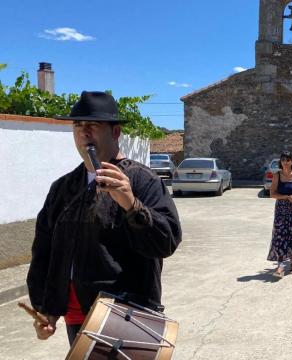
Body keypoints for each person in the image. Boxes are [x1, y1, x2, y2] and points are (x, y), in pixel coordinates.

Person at [26, 91, 182, 345]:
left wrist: (131, 204)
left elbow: (166, 243)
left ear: (116, 132)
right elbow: (43, 250)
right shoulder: (63, 187)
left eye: (93, 125)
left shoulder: (143, 181)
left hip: (126, 313)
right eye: (78, 125)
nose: (84, 133)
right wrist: (46, 307)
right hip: (76, 316)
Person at [268, 151, 292, 278]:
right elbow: (272, 194)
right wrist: (286, 197)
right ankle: (280, 266)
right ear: (281, 162)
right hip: (281, 210)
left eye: (288, 159)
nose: (285, 162)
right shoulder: (276, 176)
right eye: (283, 159)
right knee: (280, 236)